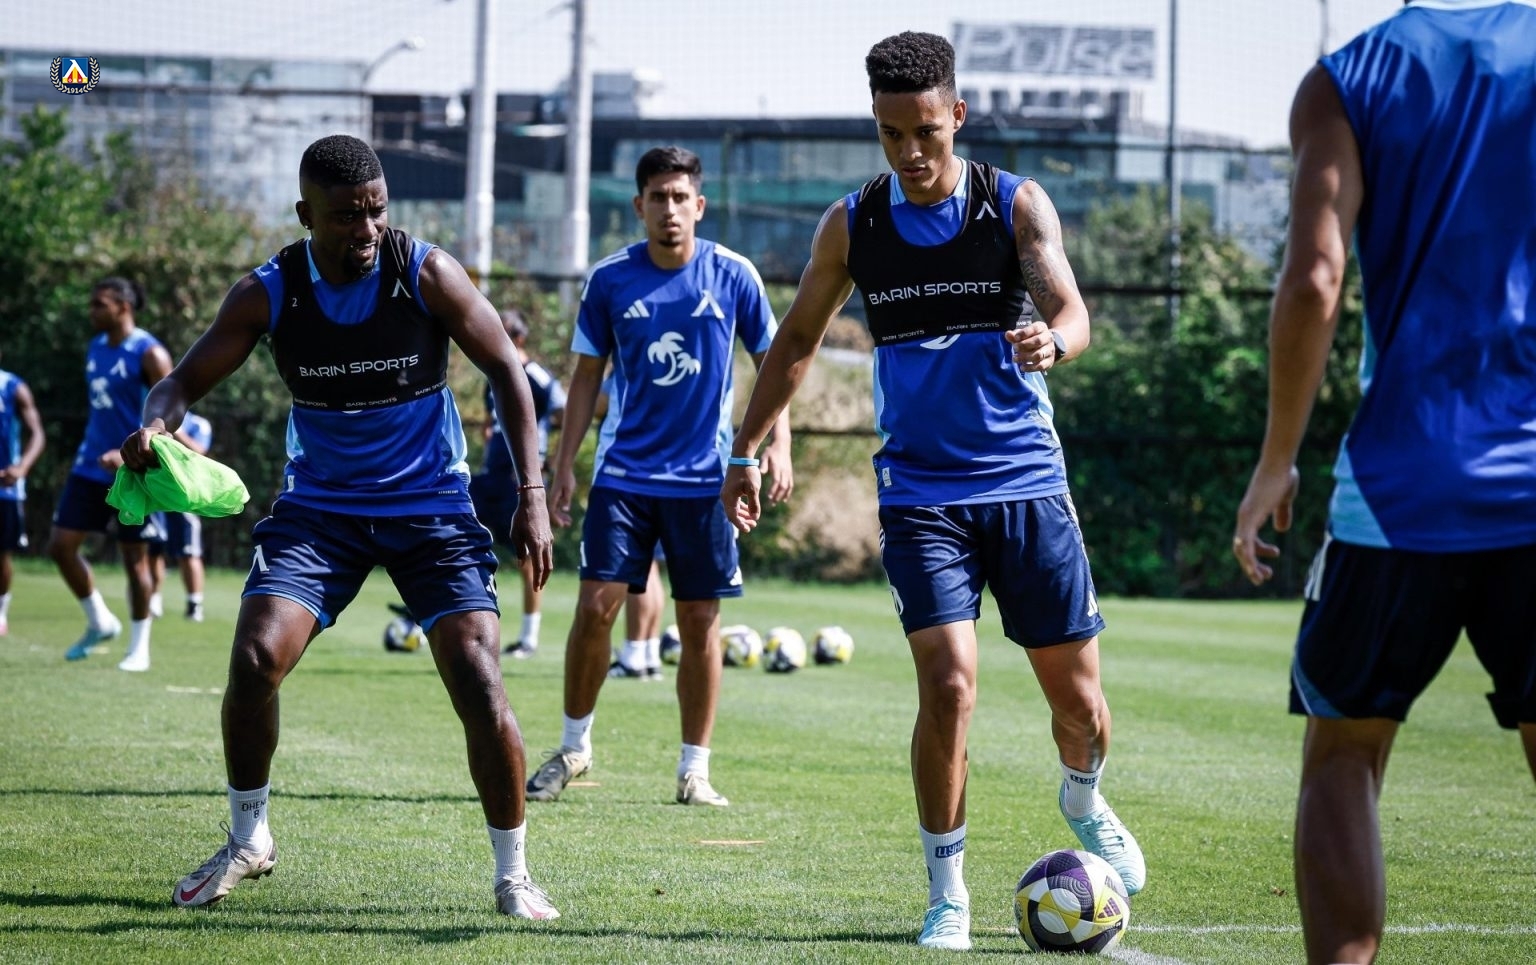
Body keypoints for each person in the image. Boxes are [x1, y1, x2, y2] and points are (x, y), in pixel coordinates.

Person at [720, 32, 1145, 950]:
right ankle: (947, 893)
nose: (910, 152)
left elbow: (1072, 312)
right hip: (921, 494)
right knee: (949, 686)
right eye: (890, 134)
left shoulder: (1013, 205)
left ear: (957, 114)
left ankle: (1083, 796)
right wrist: (745, 448)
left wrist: (1054, 342)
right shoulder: (853, 226)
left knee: (1080, 706)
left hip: (1026, 482)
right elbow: (795, 343)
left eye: (925, 131)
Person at [120, 135, 559, 919]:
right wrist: (155, 425)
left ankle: (514, 873)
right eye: (347, 216)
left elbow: (508, 372)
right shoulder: (270, 291)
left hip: (430, 505)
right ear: (306, 214)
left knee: (478, 674)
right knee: (255, 658)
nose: (366, 230)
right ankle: (249, 837)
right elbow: (181, 381)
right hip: (322, 511)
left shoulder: (425, 272)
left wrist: (531, 491)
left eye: (376, 211)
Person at [1231, 5, 1536, 963]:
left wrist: (1277, 458)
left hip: (1402, 488)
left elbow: (1314, 279)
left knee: (1346, 752)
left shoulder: (1348, 79)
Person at [527, 145, 793, 808]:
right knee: (596, 607)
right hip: (624, 474)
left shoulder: (734, 275)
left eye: (680, 198)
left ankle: (693, 770)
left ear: (698, 205)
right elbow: (585, 379)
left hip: (706, 481)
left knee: (699, 620)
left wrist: (776, 446)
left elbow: (775, 363)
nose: (669, 209)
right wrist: (564, 466)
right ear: (638, 205)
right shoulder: (610, 280)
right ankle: (573, 747)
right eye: (658, 197)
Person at [49, 277, 174, 671]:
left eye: (99, 304)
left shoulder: (150, 353)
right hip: (89, 465)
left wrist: (132, 453)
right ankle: (100, 621)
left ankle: (139, 648)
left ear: (123, 306)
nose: (92, 311)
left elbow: (170, 418)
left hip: (133, 470)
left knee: (135, 561)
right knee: (60, 546)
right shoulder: (96, 347)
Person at [477, 309, 565, 659]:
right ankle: (425, 614)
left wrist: (549, 458)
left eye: (506, 332)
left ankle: (528, 637)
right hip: (492, 476)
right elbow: (492, 415)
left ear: (520, 338)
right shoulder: (492, 371)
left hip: (522, 481)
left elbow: (564, 411)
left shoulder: (535, 376)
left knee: (526, 557)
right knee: (449, 532)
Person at [149, 411, 213, 622]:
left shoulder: (198, 424)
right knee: (154, 548)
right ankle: (153, 601)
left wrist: (177, 431)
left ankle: (194, 605)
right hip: (157, 491)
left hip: (184, 495)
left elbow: (199, 451)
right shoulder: (153, 420)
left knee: (189, 551)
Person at [0, 355, 46, 637]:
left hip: (5, 490)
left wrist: (22, 467)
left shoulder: (12, 387)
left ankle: (1, 610)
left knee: (1, 556)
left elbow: (37, 434)